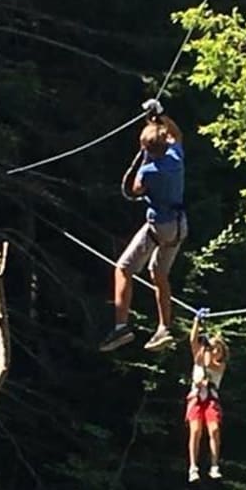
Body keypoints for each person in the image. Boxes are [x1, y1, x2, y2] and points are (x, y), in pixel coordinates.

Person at [98, 98, 187, 352]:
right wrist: (160, 116)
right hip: (181, 226)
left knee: (123, 268)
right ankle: (164, 328)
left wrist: (145, 158)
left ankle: (121, 327)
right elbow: (176, 134)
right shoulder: (175, 157)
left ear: (146, 146)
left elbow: (136, 189)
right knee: (159, 275)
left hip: (161, 226)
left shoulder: (149, 170)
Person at [185, 309, 228, 483]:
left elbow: (210, 363)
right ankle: (193, 467)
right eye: (214, 349)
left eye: (218, 349)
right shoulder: (199, 357)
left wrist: (207, 349)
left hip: (210, 398)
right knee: (195, 431)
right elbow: (192, 339)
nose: (215, 352)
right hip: (196, 396)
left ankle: (214, 465)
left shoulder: (220, 365)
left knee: (214, 430)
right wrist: (197, 321)